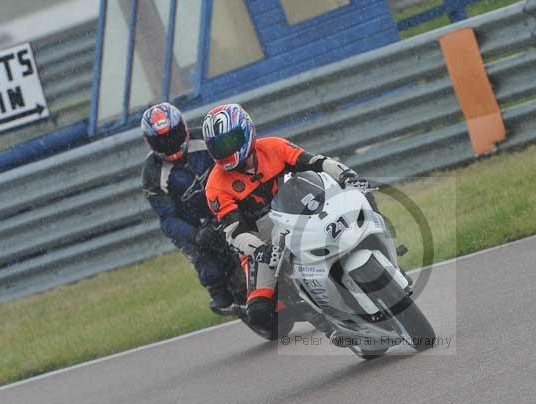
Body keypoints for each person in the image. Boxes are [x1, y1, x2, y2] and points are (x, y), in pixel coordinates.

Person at [201, 103, 369, 335]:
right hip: (262, 241)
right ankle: (319, 318)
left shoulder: (274, 146)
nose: (226, 150)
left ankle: (378, 250)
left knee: (358, 197)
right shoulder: (215, 185)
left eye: (230, 141)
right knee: (260, 312)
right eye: (218, 146)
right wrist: (260, 250)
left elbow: (316, 162)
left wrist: (346, 174)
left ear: (246, 129)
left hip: (302, 214)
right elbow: (235, 231)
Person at [140, 102, 240, 315]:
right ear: (150, 143)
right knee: (210, 268)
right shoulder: (152, 174)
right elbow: (167, 219)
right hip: (194, 223)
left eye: (173, 135)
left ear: (183, 128)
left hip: (226, 200)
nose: (169, 143)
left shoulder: (205, 140)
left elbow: (235, 161)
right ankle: (219, 293)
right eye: (162, 141)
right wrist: (196, 235)